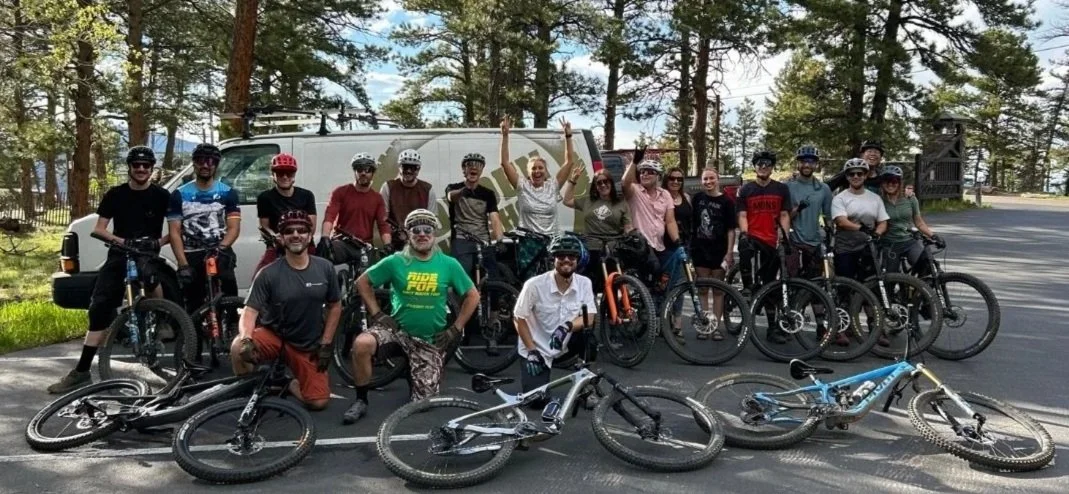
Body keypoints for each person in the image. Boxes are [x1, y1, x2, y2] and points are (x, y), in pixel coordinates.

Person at [48, 146, 171, 393]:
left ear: (152, 169)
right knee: (100, 306)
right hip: (120, 253)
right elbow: (99, 228)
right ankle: (81, 371)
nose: (141, 169)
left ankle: (163, 319)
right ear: (129, 167)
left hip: (147, 253)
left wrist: (158, 242)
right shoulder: (116, 194)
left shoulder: (162, 196)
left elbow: (177, 229)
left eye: (146, 165)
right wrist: (122, 241)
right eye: (136, 165)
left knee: (153, 278)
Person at [343, 209, 480, 424]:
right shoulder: (395, 261)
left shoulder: (449, 264)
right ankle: (361, 400)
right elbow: (362, 282)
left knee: (423, 405)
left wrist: (456, 328)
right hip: (397, 332)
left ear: (434, 234)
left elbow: (472, 295)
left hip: (428, 340)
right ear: (408, 234)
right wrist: (377, 313)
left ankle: (412, 370)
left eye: (427, 229)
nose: (422, 234)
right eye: (416, 230)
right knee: (361, 344)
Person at [231, 210, 340, 410]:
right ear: (281, 238)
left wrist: (326, 343)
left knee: (318, 402)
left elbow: (335, 305)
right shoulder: (268, 273)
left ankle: (286, 383)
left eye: (302, 230)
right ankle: (248, 392)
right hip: (275, 336)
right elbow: (250, 311)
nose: (296, 235)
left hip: (307, 345)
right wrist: (247, 339)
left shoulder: (325, 268)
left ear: (309, 235)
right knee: (238, 347)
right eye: (289, 231)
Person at [515, 234, 596, 405]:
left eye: (572, 256)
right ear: (553, 258)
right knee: (536, 401)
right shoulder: (534, 285)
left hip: (564, 343)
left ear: (578, 259)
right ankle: (538, 377)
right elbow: (519, 318)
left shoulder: (585, 283)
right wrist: (531, 351)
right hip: (538, 348)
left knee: (590, 338)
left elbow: (589, 316)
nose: (566, 260)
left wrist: (567, 326)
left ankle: (585, 384)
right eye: (560, 256)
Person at [168, 143, 240, 316]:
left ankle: (231, 328)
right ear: (194, 163)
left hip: (219, 249)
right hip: (193, 252)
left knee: (230, 288)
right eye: (201, 161)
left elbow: (233, 228)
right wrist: (183, 264)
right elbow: (175, 232)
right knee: (193, 303)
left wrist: (221, 248)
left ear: (216, 165)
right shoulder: (179, 194)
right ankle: (195, 340)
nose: (206, 165)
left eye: (211, 161)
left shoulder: (228, 193)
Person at [621, 151, 684, 334]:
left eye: (650, 172)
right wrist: (635, 162)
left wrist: (677, 241)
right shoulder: (634, 191)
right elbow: (625, 183)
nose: (645, 174)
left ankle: (662, 317)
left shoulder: (665, 195)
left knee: (672, 274)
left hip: (659, 245)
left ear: (658, 176)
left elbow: (670, 220)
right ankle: (643, 318)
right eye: (642, 172)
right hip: (640, 248)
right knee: (646, 284)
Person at [736, 150, 792, 343]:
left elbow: (785, 215)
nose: (763, 166)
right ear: (754, 166)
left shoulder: (781, 189)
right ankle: (747, 286)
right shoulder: (746, 190)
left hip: (772, 240)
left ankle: (772, 327)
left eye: (767, 164)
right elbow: (742, 216)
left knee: (770, 284)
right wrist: (744, 233)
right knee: (744, 245)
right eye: (759, 163)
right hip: (753, 236)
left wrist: (784, 237)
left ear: (772, 167)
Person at [689, 168, 736, 341]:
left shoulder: (727, 202)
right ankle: (704, 324)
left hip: (719, 250)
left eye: (711, 178)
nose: (708, 182)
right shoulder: (698, 199)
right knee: (702, 289)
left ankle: (715, 326)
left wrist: (729, 252)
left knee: (718, 290)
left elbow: (731, 230)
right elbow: (693, 224)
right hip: (700, 249)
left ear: (718, 179)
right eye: (705, 179)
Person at [562, 167, 632, 281]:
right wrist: (573, 180)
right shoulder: (588, 201)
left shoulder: (621, 203)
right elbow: (567, 200)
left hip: (612, 248)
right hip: (591, 247)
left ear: (611, 183)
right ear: (595, 186)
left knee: (614, 280)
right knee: (589, 280)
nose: (603, 185)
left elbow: (628, 227)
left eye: (606, 181)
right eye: (599, 183)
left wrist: (632, 236)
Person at [321, 152, 391, 264]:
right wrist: (325, 237)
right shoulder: (340, 192)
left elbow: (383, 225)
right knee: (326, 259)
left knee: (374, 273)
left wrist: (387, 244)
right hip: (342, 242)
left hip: (365, 246)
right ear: (355, 171)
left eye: (367, 170)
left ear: (373, 173)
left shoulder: (377, 198)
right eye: (359, 169)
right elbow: (330, 216)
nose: (363, 173)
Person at [254, 153, 317, 277]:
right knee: (259, 276)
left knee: (320, 274)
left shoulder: (307, 195)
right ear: (273, 175)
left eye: (289, 173)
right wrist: (275, 237)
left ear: (294, 176)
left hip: (304, 245)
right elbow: (264, 227)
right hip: (278, 246)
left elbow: (312, 226)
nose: (284, 177)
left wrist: (300, 239)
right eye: (280, 173)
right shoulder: (265, 198)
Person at [445, 152, 504, 279]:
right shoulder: (453, 188)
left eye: (478, 165)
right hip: (461, 240)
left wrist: (499, 240)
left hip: (483, 240)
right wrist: (463, 191)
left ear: (482, 171)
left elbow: (494, 218)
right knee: (462, 277)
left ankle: (492, 298)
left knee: (493, 277)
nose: (474, 167)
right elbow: (451, 197)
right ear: (463, 170)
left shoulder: (488, 194)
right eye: (469, 165)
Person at [831, 158, 889, 282]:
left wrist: (877, 233)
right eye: (852, 174)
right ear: (847, 177)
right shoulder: (840, 198)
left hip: (868, 248)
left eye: (860, 173)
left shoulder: (875, 198)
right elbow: (841, 221)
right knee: (846, 285)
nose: (856, 176)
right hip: (845, 248)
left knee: (869, 284)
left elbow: (883, 221)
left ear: (865, 175)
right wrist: (861, 228)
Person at [878, 165, 941, 275]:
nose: (890, 184)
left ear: (899, 182)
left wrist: (933, 235)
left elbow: (918, 222)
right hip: (889, 244)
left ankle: (918, 290)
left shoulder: (910, 199)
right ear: (882, 183)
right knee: (891, 279)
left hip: (908, 241)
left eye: (894, 181)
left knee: (926, 266)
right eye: (886, 181)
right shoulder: (879, 201)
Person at [380, 148, 438, 252]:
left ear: (418, 169)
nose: (409, 171)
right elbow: (384, 218)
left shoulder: (428, 189)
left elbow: (432, 221)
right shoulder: (388, 187)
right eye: (405, 166)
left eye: (413, 167)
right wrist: (388, 242)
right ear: (399, 167)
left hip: (420, 239)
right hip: (396, 241)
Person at [663, 167, 692, 248]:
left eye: (679, 179)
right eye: (672, 178)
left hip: (686, 242)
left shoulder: (686, 197)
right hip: (667, 245)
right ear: (666, 180)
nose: (676, 181)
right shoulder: (660, 198)